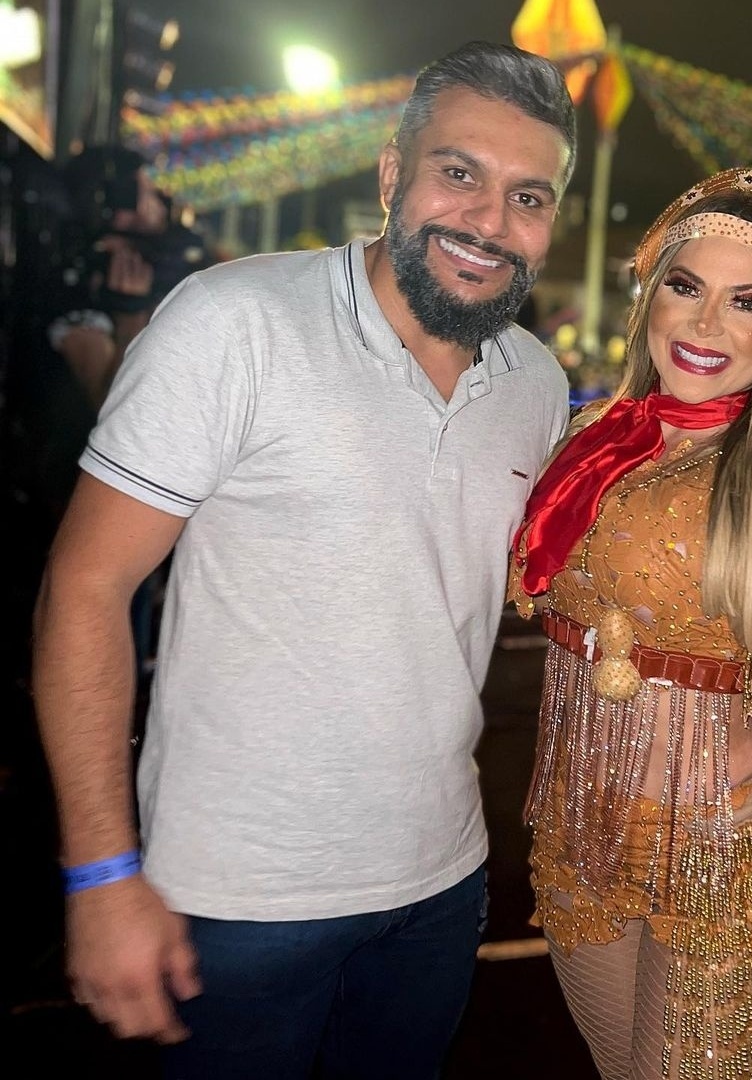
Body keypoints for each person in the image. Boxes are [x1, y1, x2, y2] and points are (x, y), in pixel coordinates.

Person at [31, 40, 576, 1079]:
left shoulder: (536, 385)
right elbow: (86, 587)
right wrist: (100, 874)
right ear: (392, 174)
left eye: (527, 196)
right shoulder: (235, 321)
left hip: (441, 882)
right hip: (238, 901)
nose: (488, 220)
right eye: (458, 172)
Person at [509, 167, 752, 1080]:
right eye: (685, 286)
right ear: (650, 299)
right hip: (578, 834)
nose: (705, 326)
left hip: (717, 853)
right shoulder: (587, 442)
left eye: (748, 302)